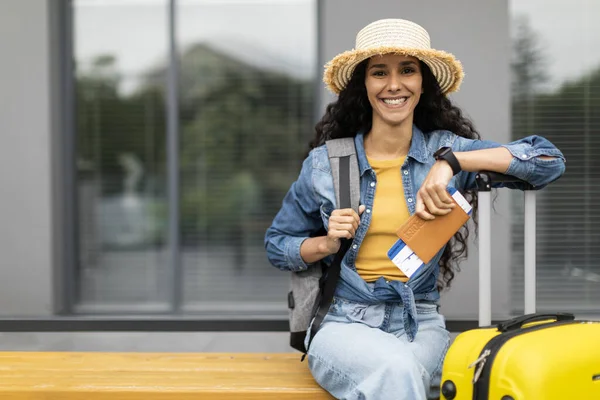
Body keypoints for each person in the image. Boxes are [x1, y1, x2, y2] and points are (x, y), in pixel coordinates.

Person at [264, 18, 565, 400]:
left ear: (423, 83)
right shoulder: (328, 162)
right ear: (364, 85)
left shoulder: (444, 149)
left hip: (420, 324)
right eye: (379, 72)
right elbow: (277, 244)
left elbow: (547, 160)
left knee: (397, 373)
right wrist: (324, 244)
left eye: (407, 70)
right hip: (342, 322)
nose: (394, 84)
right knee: (398, 371)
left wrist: (452, 163)